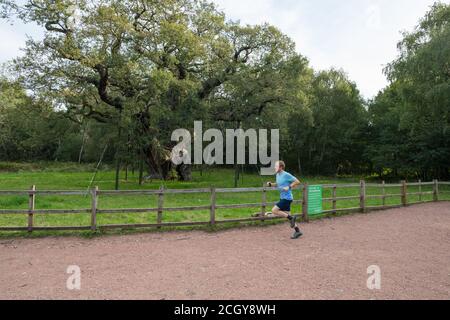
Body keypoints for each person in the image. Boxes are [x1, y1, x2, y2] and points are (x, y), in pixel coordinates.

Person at [264, 160, 303, 239]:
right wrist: (271, 184)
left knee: (274, 210)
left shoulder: (286, 175)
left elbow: (297, 181)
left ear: (281, 167)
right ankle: (297, 231)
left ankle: (291, 218)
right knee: (288, 215)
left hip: (287, 198)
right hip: (283, 197)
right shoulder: (277, 175)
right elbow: (278, 184)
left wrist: (289, 187)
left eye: (276, 166)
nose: (275, 167)